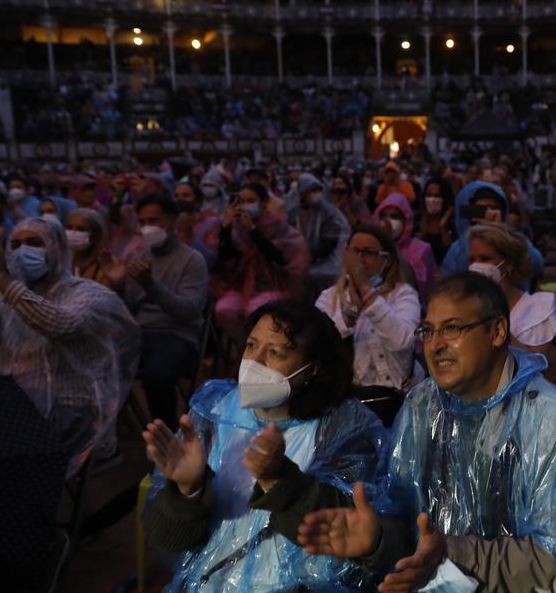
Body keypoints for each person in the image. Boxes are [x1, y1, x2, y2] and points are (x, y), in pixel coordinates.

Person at [297, 272, 556, 591]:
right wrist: (378, 540)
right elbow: (405, 513)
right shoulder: (423, 405)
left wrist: (452, 555)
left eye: (453, 328)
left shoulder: (555, 423)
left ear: (498, 331)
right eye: (428, 331)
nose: (435, 345)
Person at [142, 300, 387, 592]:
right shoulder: (214, 412)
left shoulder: (345, 428)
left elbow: (345, 536)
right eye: (250, 346)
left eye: (275, 352)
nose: (254, 362)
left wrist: (281, 483)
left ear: (312, 370)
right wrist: (186, 491)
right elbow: (170, 541)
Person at [0, 216, 139, 473]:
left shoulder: (90, 294)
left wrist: (1, 277)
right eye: (14, 245)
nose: (22, 250)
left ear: (57, 247)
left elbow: (59, 324)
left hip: (68, 406)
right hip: (6, 399)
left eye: (34, 243)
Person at [109, 195, 210, 427]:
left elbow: (190, 311)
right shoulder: (139, 257)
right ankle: (108, 438)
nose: (147, 228)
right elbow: (128, 308)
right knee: (95, 361)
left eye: (154, 220)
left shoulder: (192, 260)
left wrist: (151, 286)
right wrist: (118, 285)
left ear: (172, 221)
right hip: (139, 333)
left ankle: (165, 434)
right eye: (142, 222)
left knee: (156, 374)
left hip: (177, 336)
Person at [315, 225, 421, 427]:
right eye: (354, 251)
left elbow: (403, 340)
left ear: (387, 260)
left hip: (402, 402)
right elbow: (320, 346)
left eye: (368, 253)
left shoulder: (403, 294)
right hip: (349, 404)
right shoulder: (329, 298)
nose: (359, 259)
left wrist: (366, 291)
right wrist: (351, 310)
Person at [466, 222, 556, 367]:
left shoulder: (538, 311)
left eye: (485, 259)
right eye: (472, 260)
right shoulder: (464, 303)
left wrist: (493, 313)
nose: (476, 266)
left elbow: (530, 368)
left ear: (509, 263)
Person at [215, 182, 311, 338]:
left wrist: (253, 231)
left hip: (276, 283)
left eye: (250, 200)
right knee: (224, 309)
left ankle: (263, 352)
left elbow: (280, 257)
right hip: (243, 284)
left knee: (254, 310)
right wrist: (225, 229)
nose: (245, 205)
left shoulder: (278, 224)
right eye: (242, 201)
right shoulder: (236, 227)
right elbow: (227, 258)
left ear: (264, 202)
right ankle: (244, 349)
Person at [439, 180, 543, 285]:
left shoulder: (515, 239)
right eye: (481, 209)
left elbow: (536, 265)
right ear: (471, 212)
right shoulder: (458, 248)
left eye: (493, 208)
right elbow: (448, 283)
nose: (488, 213)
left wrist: (500, 230)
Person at [288, 173, 351, 295]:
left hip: (329, 261)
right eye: (312, 190)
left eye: (318, 190)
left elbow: (328, 244)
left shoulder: (329, 213)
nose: (316, 193)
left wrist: (306, 256)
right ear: (303, 193)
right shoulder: (295, 214)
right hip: (306, 259)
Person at [374, 192, 438, 301]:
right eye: (383, 216)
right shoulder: (372, 248)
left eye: (394, 216)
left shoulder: (422, 249)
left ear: (406, 220)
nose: (387, 221)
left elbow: (427, 289)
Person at [171, 181, 220, 270]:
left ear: (197, 202)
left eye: (186, 195)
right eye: (176, 196)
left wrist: (189, 235)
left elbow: (210, 261)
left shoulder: (211, 222)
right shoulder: (168, 221)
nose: (180, 199)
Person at [417, 177, 457, 266]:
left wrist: (442, 226)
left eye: (437, 196)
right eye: (429, 195)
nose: (432, 199)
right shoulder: (416, 220)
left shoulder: (453, 224)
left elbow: (452, 254)